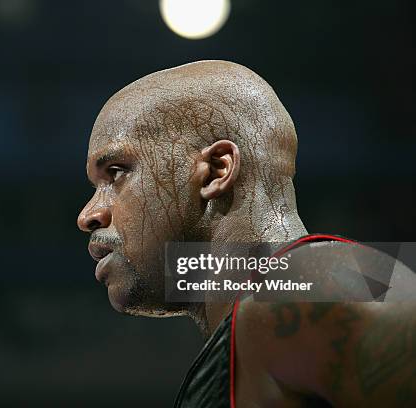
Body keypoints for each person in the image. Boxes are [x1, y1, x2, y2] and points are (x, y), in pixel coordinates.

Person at [76, 60, 416, 407]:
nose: (88, 215)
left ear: (216, 171)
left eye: (116, 173)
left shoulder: (303, 286)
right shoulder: (259, 324)